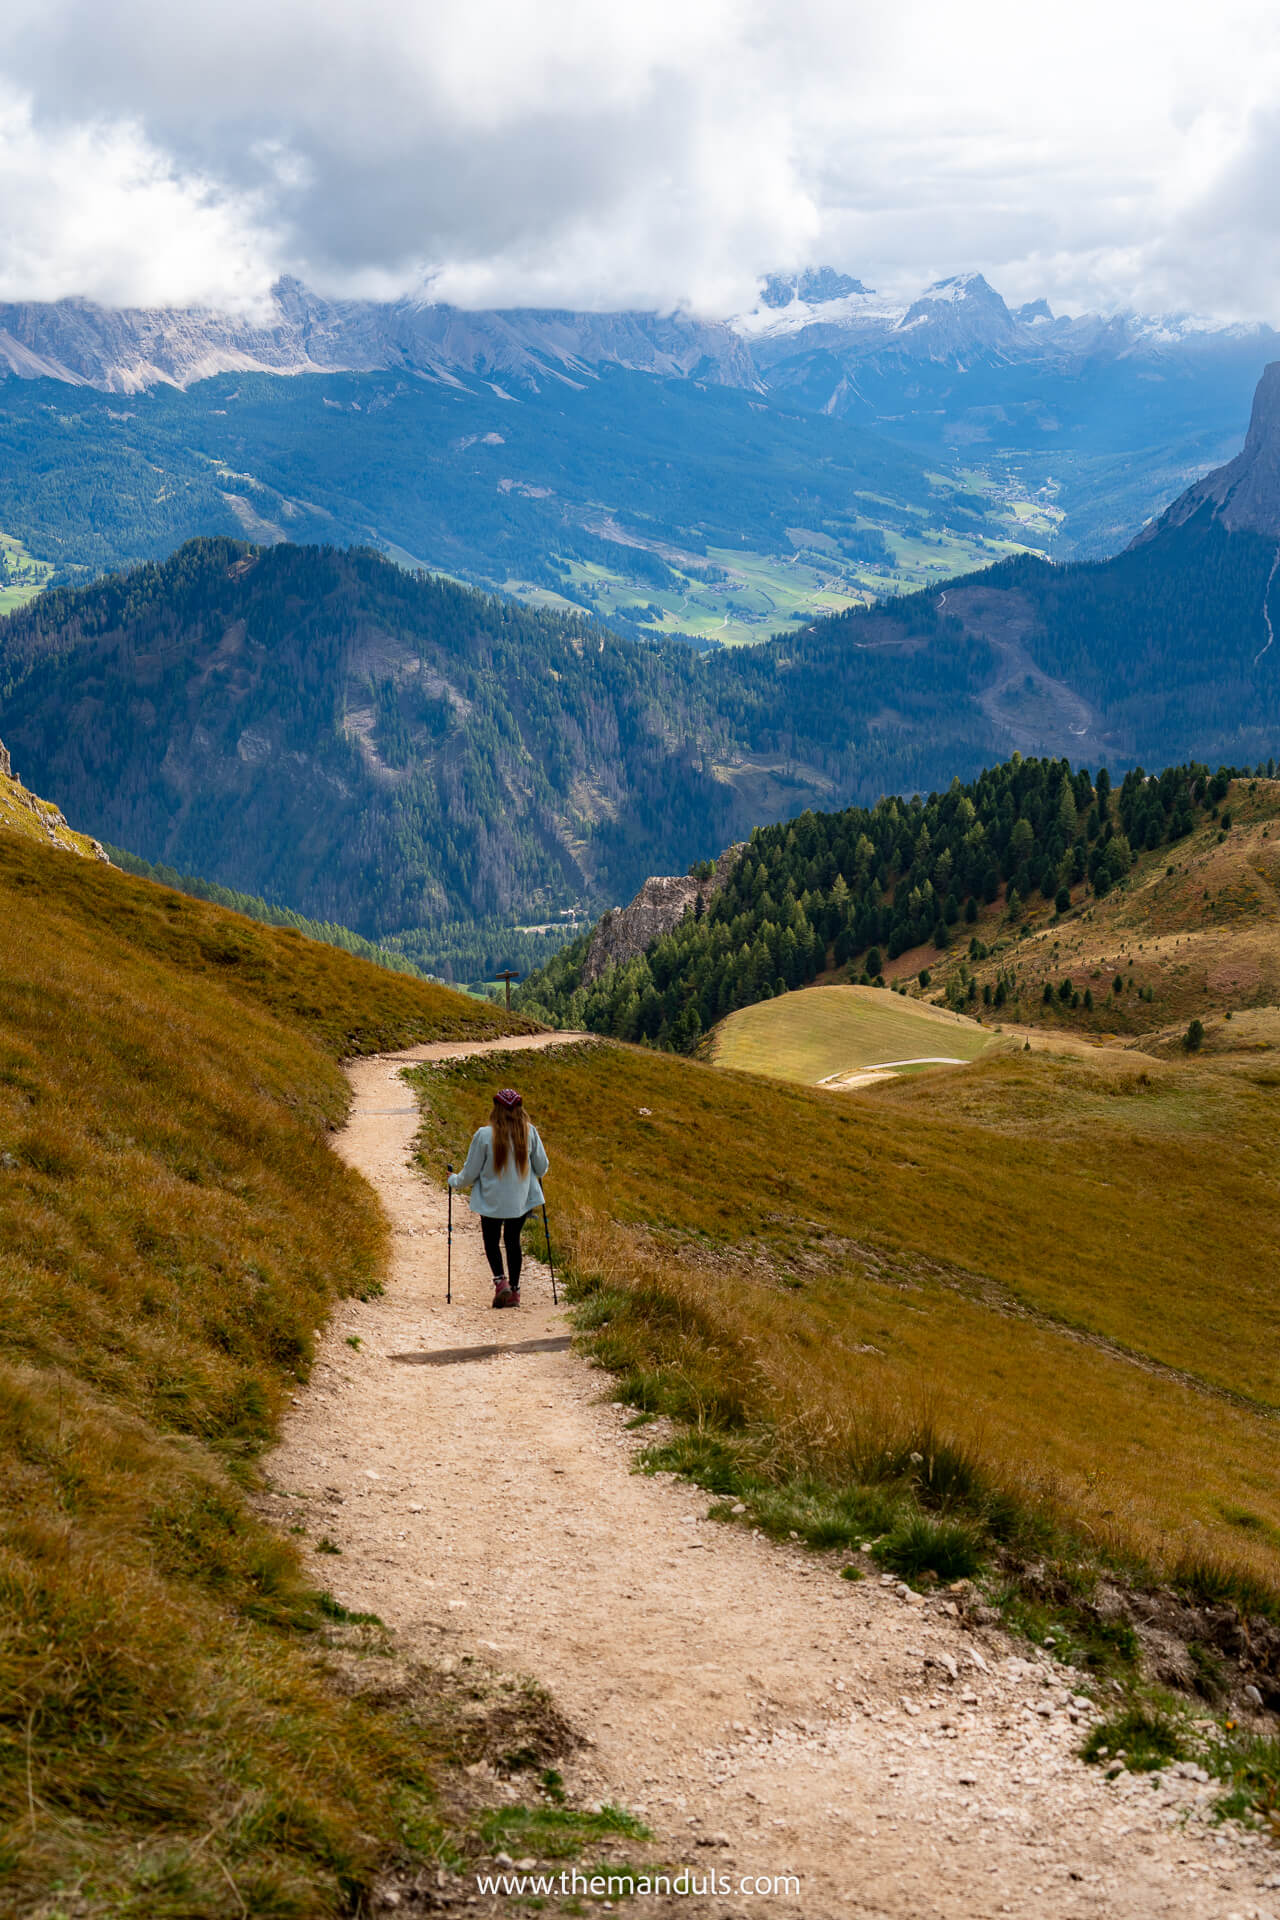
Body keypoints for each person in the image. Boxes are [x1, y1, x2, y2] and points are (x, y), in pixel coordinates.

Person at [448, 1088, 549, 1308]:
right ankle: (515, 1291)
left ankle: (500, 1281)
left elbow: (471, 1172)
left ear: (496, 1109)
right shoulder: (529, 1132)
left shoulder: (484, 1135)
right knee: (513, 1241)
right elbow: (542, 1168)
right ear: (520, 1109)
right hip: (520, 1202)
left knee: (491, 1241)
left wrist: (453, 1180)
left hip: (491, 1201)